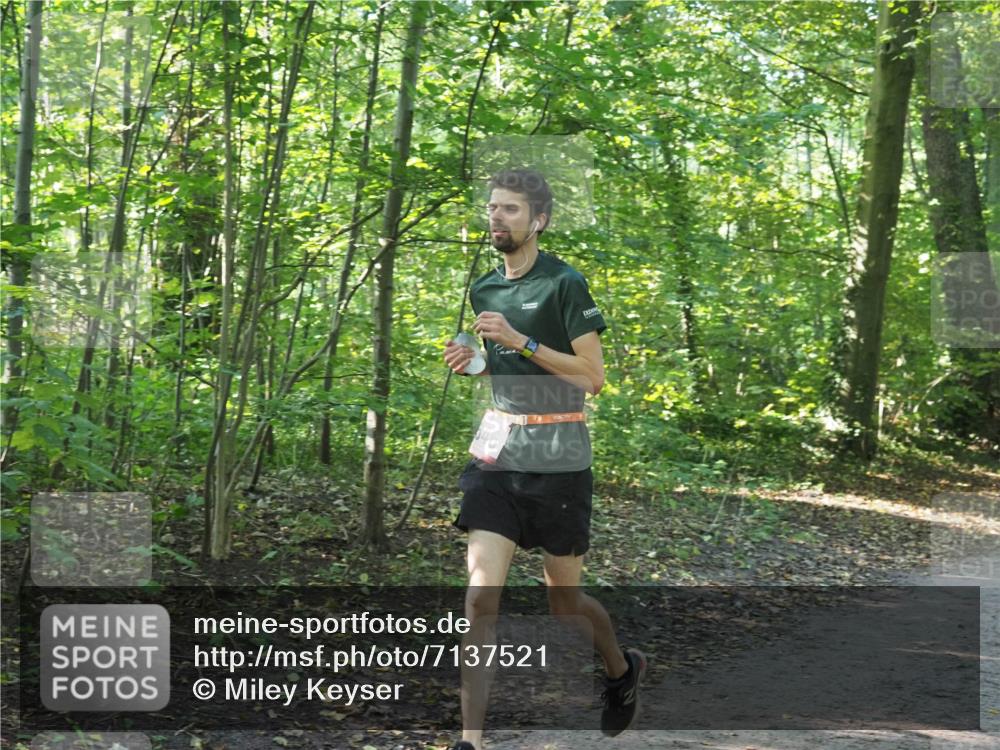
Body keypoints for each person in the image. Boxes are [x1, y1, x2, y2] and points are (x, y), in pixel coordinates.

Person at [442, 169, 646, 750]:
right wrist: (475, 363)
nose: (497, 217)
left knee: (564, 605)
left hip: (560, 460)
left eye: (510, 209)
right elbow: (506, 374)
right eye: (492, 208)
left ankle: (619, 668)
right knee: (481, 594)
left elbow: (593, 378)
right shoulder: (485, 288)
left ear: (539, 221)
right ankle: (470, 742)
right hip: (498, 457)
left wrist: (519, 340)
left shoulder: (565, 284)